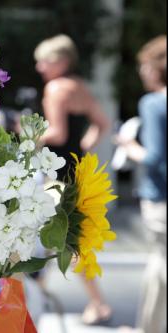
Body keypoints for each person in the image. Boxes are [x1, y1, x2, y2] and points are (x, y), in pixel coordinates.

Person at [34, 34, 112, 325]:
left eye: (46, 60)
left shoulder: (55, 89)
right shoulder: (80, 87)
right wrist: (85, 148)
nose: (40, 67)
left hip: (55, 177)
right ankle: (95, 302)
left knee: (45, 237)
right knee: (69, 240)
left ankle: (32, 298)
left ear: (63, 61)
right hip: (76, 173)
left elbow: (57, 134)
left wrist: (28, 137)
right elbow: (102, 122)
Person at [117, 35, 166, 333]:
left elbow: (154, 156)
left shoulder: (153, 103)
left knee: (160, 263)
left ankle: (148, 328)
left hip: (161, 198)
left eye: (145, 66)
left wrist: (128, 144)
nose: (141, 72)